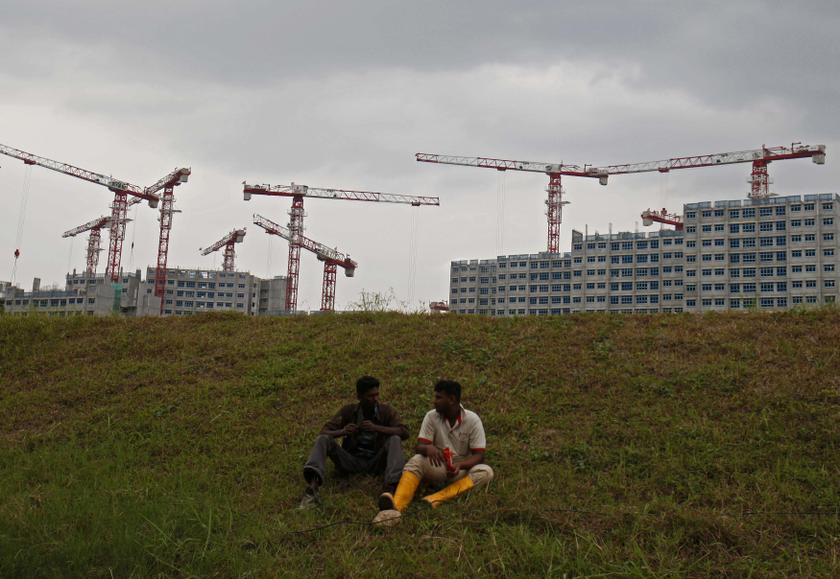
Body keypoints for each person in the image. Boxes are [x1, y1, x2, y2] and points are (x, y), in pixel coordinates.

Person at [377, 379, 494, 514]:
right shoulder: (431, 416)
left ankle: (435, 499)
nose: (434, 401)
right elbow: (419, 447)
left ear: (451, 399)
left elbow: (479, 456)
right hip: (439, 466)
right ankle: (396, 506)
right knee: (416, 460)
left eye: (439, 397)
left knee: (486, 472)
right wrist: (427, 448)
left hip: (461, 470)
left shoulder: (472, 420)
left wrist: (459, 466)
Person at [300, 376, 409, 509]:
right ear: (359, 397)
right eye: (370, 396)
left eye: (377, 395)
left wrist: (377, 428)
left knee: (395, 439)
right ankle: (312, 489)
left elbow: (404, 432)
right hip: (351, 461)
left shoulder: (386, 411)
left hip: (376, 461)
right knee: (323, 439)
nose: (375, 399)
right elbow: (324, 432)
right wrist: (343, 431)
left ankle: (391, 490)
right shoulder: (349, 411)